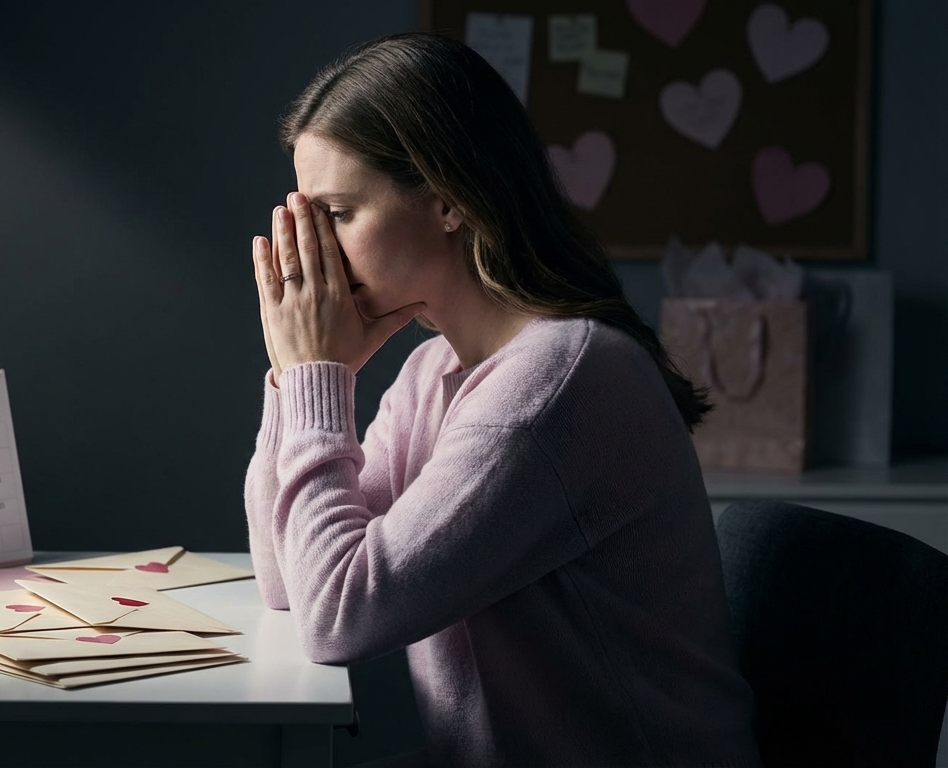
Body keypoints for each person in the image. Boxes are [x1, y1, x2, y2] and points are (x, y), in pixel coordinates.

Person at [244, 32, 761, 767]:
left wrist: (315, 379)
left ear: (449, 200)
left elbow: (340, 616)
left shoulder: (559, 379)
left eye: (339, 213)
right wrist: (298, 379)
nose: (313, 249)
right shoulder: (435, 371)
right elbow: (292, 580)